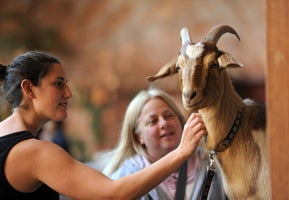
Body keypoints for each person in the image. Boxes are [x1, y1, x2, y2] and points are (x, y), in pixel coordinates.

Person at [0, 51, 205, 200]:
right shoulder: (35, 152)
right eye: (58, 83)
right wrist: (181, 152)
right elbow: (113, 194)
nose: (68, 93)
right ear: (28, 88)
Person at [104, 87, 227, 200]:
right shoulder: (126, 178)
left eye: (168, 116)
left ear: (181, 122)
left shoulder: (214, 164)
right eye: (153, 121)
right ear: (139, 137)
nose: (164, 123)